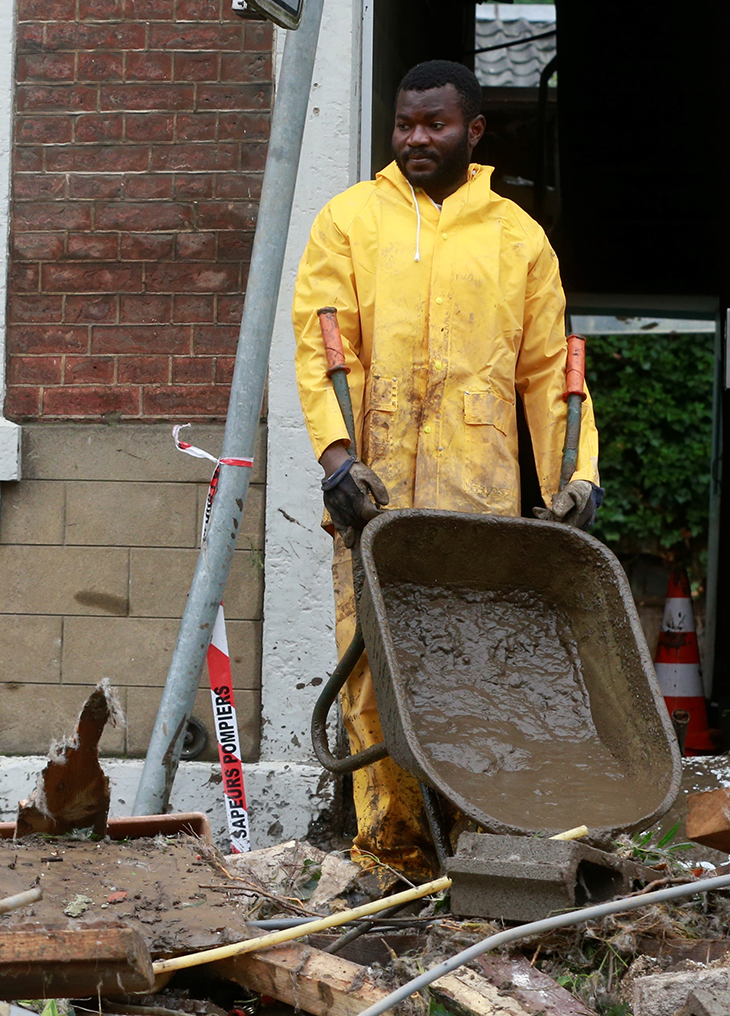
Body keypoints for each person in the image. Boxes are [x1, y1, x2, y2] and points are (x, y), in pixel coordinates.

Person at [290, 59, 602, 879]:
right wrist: (336, 460)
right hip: (373, 494)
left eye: (434, 125)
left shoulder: (517, 237)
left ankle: (475, 848)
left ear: (474, 131)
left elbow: (548, 372)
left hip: (479, 498)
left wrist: (575, 476)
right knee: (371, 670)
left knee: (476, 673)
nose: (416, 139)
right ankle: (389, 855)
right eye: (404, 125)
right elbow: (324, 350)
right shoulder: (348, 222)